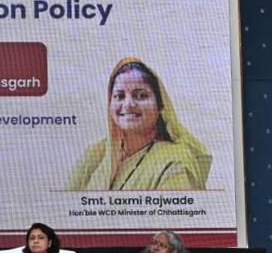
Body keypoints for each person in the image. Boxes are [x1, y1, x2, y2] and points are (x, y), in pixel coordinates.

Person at [67, 57, 211, 191]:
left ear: (160, 106)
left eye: (141, 95)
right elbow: (65, 203)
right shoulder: (96, 154)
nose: (128, 104)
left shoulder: (175, 161)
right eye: (119, 96)